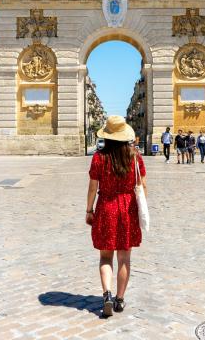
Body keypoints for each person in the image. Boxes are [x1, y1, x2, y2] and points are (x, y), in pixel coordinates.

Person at [85, 115, 147, 317]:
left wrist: (89, 210)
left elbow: (93, 187)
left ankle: (107, 296)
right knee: (124, 258)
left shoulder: (98, 157)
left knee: (105, 257)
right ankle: (120, 299)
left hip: (105, 207)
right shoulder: (135, 157)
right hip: (127, 209)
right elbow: (142, 185)